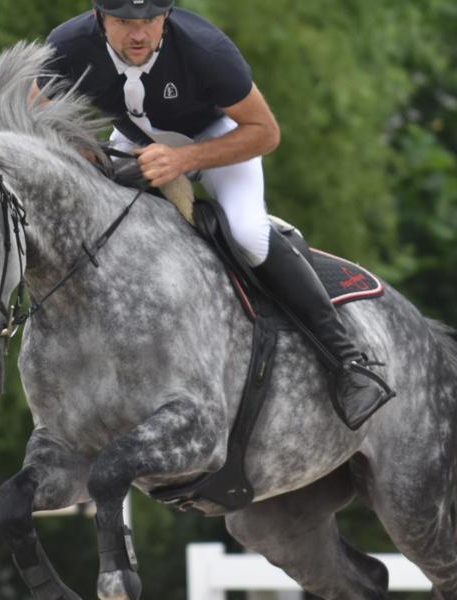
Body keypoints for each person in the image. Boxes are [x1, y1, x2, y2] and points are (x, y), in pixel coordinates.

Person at [34, 0, 394, 429]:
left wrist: (183, 160)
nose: (138, 35)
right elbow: (35, 116)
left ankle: (348, 363)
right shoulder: (67, 45)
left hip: (217, 138)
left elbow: (266, 132)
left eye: (149, 21)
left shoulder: (205, 49)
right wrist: (85, 156)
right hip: (134, 142)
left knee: (246, 234)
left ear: (165, 16)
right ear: (99, 19)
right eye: (125, 22)